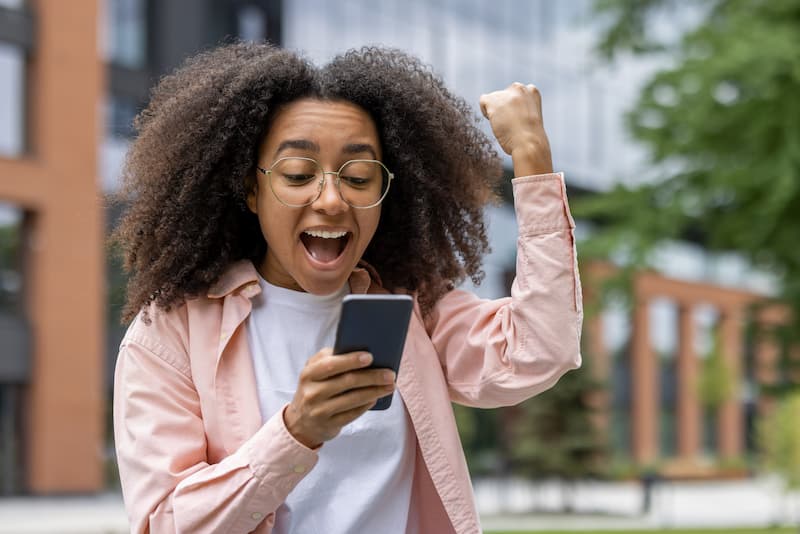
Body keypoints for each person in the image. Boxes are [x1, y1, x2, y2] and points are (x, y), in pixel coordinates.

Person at [112, 42, 582, 534]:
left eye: (358, 177)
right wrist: (296, 432)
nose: (332, 200)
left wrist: (531, 156)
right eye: (298, 174)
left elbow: (539, 349)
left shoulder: (412, 311)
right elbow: (166, 523)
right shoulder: (169, 335)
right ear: (250, 190)